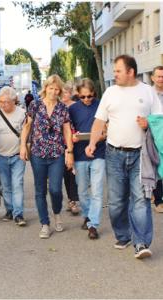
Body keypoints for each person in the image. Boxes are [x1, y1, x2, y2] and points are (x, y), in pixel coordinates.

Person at [86, 55, 162, 259]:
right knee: (117, 201)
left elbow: (159, 120)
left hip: (141, 154)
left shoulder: (148, 92)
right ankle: (122, 234)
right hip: (114, 154)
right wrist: (92, 143)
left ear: (130, 72)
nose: (115, 74)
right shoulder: (110, 92)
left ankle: (141, 242)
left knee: (141, 199)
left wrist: (148, 123)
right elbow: (99, 122)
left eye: (118, 71)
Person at [20, 74, 74, 239]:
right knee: (40, 190)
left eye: (57, 89)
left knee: (55, 189)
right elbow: (27, 126)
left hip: (57, 153)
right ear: (46, 88)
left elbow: (66, 130)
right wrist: (22, 145)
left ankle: (57, 213)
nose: (53, 91)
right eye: (51, 88)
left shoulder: (62, 108)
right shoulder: (35, 105)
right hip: (38, 153)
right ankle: (45, 223)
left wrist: (69, 152)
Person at [69, 78, 106, 240]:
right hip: (79, 155)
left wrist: (99, 137)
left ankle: (93, 224)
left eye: (90, 96)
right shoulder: (73, 109)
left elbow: (106, 130)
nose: (87, 99)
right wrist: (73, 138)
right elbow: (68, 131)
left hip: (99, 153)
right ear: (78, 95)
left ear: (94, 94)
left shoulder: (101, 105)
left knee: (97, 191)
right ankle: (87, 214)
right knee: (82, 191)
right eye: (83, 97)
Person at [0, 86, 27, 226]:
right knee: (5, 186)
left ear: (14, 100)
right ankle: (9, 210)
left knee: (17, 184)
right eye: (1, 101)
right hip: (1, 156)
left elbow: (26, 134)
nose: (3, 104)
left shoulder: (22, 114)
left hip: (18, 156)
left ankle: (18, 214)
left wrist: (24, 149)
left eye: (6, 101)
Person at [61, 82, 80, 215]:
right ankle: (70, 198)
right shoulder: (57, 106)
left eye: (66, 92)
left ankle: (73, 200)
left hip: (74, 142)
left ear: (70, 93)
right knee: (66, 173)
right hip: (59, 144)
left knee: (72, 172)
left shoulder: (75, 107)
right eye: (61, 92)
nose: (63, 95)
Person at [150, 66, 163, 213]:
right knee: (156, 166)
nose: (160, 79)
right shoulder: (149, 94)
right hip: (152, 134)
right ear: (152, 78)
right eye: (158, 76)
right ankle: (158, 200)